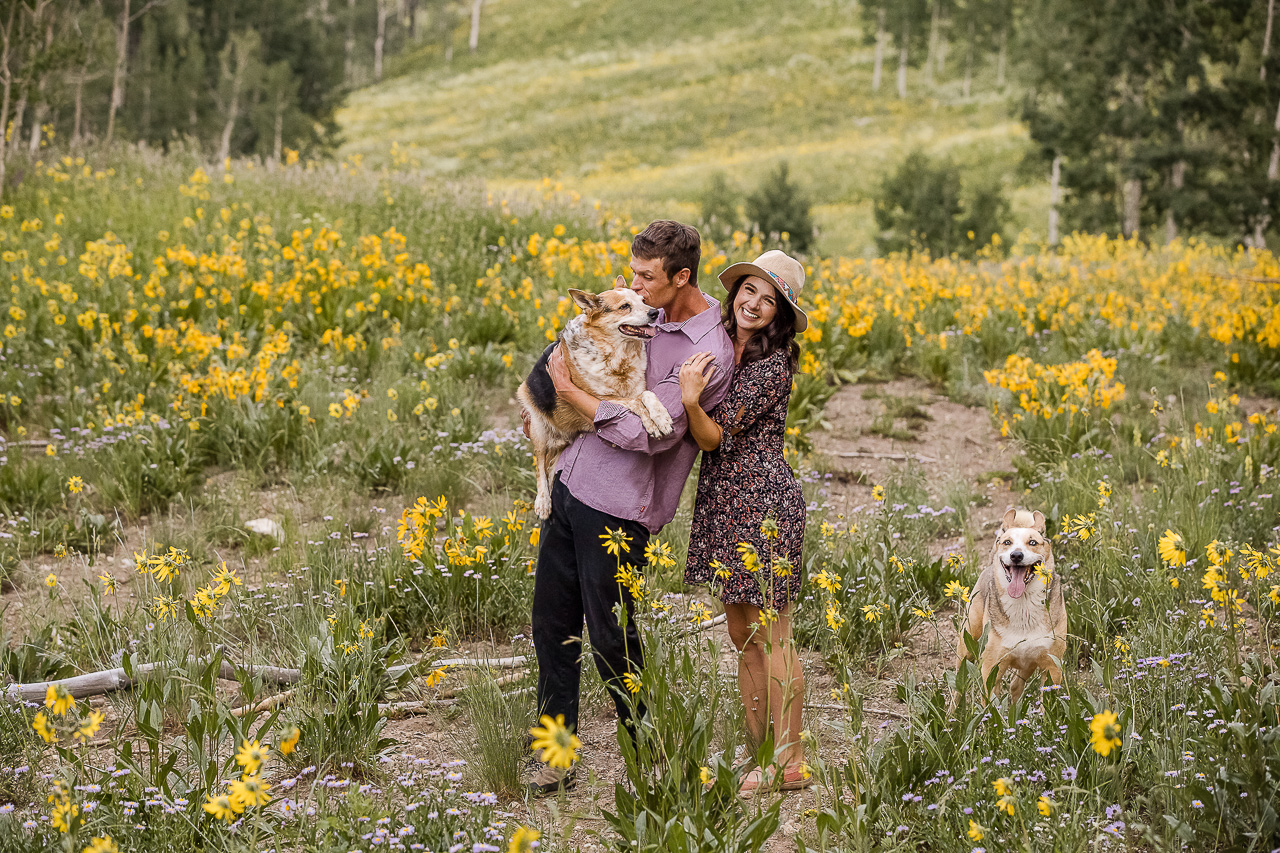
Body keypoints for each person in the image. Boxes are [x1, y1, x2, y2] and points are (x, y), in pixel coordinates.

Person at [523, 220, 734, 795]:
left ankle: (648, 756)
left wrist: (571, 396)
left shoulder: (707, 348)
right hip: (570, 478)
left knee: (613, 635)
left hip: (619, 506)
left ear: (681, 276)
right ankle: (557, 753)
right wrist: (554, 399)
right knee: (551, 624)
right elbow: (580, 351)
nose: (635, 288)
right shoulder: (640, 309)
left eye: (646, 278)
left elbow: (651, 436)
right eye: (632, 276)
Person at [677, 249, 809, 795]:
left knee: (772, 632)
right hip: (726, 499)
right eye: (748, 290)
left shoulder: (770, 366)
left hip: (762, 503)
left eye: (768, 298)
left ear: (779, 313)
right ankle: (764, 756)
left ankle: (791, 758)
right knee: (741, 632)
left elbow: (714, 434)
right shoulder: (722, 344)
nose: (754, 303)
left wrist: (688, 402)